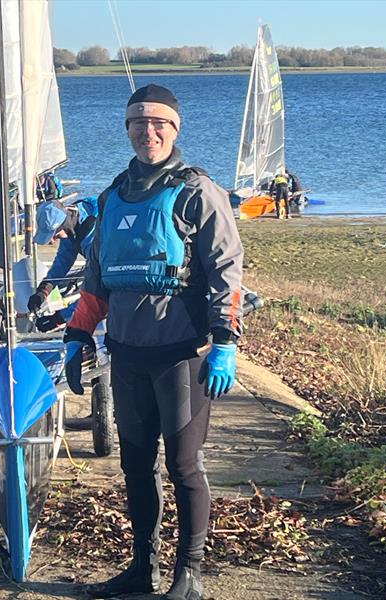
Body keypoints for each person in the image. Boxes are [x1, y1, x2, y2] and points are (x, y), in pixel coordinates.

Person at [61, 84, 244, 600]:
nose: (149, 131)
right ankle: (142, 568)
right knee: (134, 465)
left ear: (175, 128)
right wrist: (78, 336)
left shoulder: (196, 192)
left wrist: (225, 341)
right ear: (127, 129)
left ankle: (190, 574)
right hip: (127, 354)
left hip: (181, 354)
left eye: (159, 122)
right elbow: (97, 279)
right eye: (139, 123)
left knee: (184, 465)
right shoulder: (111, 195)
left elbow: (226, 274)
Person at [27, 195, 98, 331]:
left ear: (64, 225)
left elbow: (95, 291)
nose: (52, 241)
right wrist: (44, 289)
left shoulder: (95, 237)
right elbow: (63, 259)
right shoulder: (72, 222)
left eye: (55, 235)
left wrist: (59, 318)